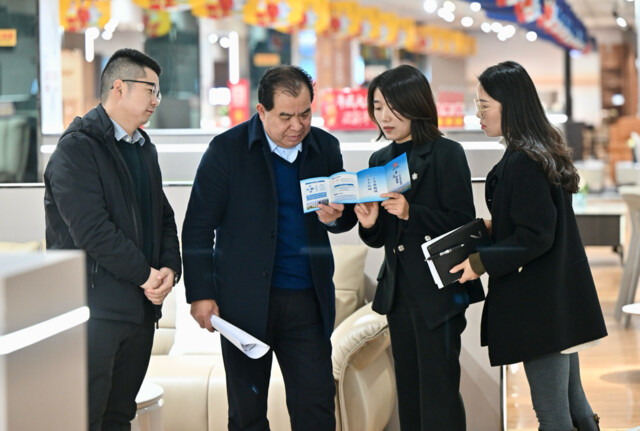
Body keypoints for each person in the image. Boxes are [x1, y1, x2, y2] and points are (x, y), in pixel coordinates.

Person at [181, 65, 357, 431]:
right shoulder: (227, 151)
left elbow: (344, 218)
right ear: (261, 111)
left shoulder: (325, 148)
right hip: (243, 306)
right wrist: (200, 294)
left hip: (307, 302)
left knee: (316, 411)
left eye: (305, 114)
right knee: (246, 416)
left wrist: (334, 218)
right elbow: (198, 227)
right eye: (286, 117)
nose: (298, 126)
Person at [451, 61, 608, 431]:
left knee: (552, 414)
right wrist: (498, 226)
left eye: (484, 105)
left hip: (540, 305)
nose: (478, 114)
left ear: (511, 105)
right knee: (574, 404)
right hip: (557, 297)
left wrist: (480, 262)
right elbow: (538, 223)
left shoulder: (524, 160)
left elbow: (536, 235)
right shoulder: (538, 151)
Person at [44, 48, 182, 431]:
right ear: (119, 87)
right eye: (150, 90)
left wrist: (169, 269)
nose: (157, 100)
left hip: (139, 313)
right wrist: (146, 275)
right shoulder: (77, 149)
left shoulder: (143, 147)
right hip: (93, 313)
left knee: (119, 418)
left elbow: (163, 217)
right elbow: (93, 230)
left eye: (159, 91)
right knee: (83, 419)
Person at [354, 64, 484, 430]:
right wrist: (370, 224)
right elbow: (381, 238)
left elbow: (463, 223)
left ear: (416, 105)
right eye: (378, 107)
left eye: (394, 107)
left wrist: (413, 213)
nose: (385, 117)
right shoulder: (379, 160)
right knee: (408, 393)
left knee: (439, 394)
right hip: (398, 294)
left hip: (439, 292)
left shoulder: (446, 153)